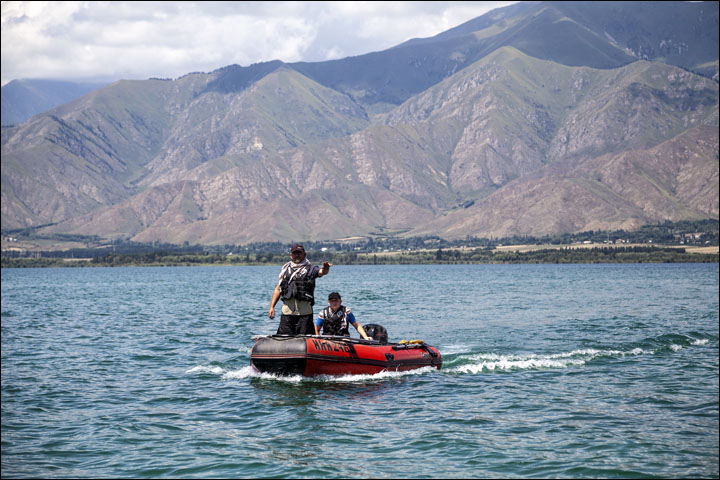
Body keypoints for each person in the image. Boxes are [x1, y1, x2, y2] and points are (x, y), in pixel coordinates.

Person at [269, 244, 332, 335]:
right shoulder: (285, 270)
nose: (297, 255)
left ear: (304, 254)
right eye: (295, 253)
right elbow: (278, 289)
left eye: (299, 253)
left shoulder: (311, 269)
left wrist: (326, 269)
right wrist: (272, 307)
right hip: (287, 314)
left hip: (304, 314)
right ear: (291, 255)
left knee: (305, 339)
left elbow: (321, 272)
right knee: (283, 339)